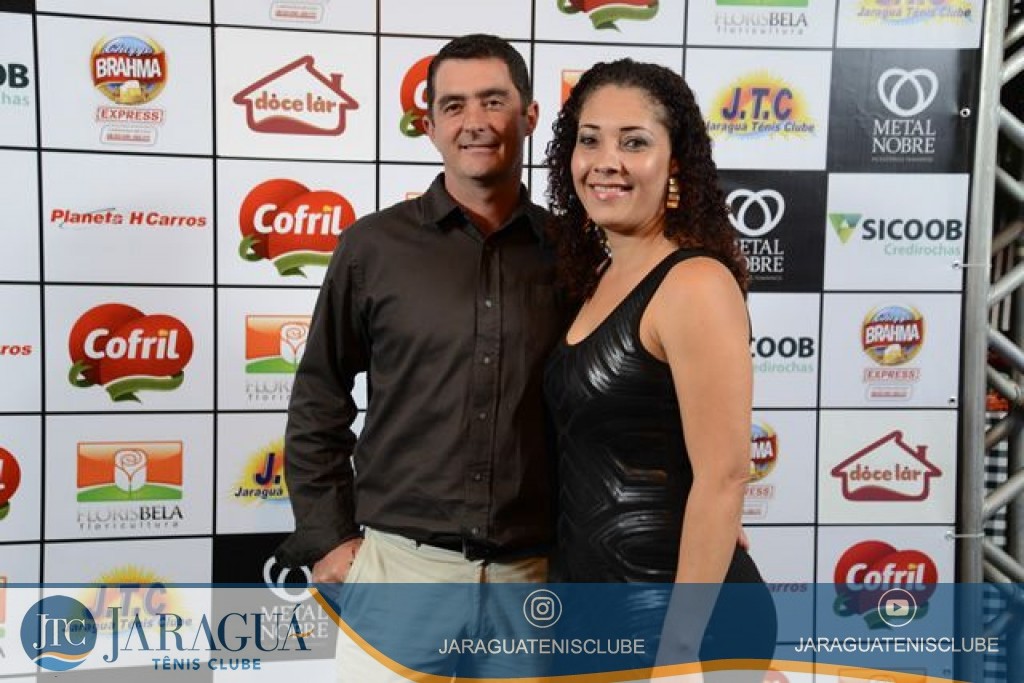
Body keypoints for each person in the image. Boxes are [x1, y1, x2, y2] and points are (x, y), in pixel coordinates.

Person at [277, 34, 564, 680]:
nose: (474, 121)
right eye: (454, 105)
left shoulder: (573, 252)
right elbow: (319, 396)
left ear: (529, 116)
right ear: (429, 125)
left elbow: (615, 405)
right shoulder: (373, 247)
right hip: (397, 573)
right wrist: (328, 537)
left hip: (532, 579)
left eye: (493, 101)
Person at [543, 58, 777, 679]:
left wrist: (680, 654)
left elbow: (723, 478)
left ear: (676, 164)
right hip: (598, 610)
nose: (606, 161)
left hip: (679, 628)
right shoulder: (598, 277)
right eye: (589, 140)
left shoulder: (694, 283)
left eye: (634, 142)